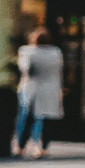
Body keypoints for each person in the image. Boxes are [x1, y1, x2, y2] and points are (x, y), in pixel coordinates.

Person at [14, 26, 64, 157]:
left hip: (32, 89)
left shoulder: (27, 51)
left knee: (28, 119)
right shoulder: (56, 52)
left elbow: (25, 69)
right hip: (51, 90)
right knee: (47, 120)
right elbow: (59, 72)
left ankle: (21, 146)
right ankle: (44, 147)